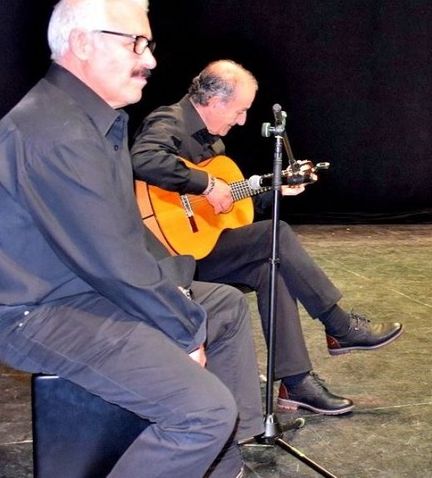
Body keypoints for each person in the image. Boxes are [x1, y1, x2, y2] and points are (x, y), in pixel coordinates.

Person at [0, 0, 293, 478]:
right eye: (136, 41)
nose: (151, 58)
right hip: (37, 313)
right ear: (83, 44)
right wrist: (177, 322)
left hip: (81, 292)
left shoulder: (87, 120)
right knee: (200, 409)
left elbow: (123, 241)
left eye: (149, 40)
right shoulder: (52, 131)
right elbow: (112, 258)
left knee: (220, 305)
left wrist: (184, 301)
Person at [132, 60, 403, 416]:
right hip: (166, 260)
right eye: (240, 110)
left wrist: (274, 191)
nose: (242, 120)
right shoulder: (170, 120)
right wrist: (206, 183)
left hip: (200, 250)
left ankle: (296, 382)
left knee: (270, 267)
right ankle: (339, 326)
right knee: (276, 234)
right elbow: (144, 159)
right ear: (215, 101)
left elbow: (224, 209)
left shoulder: (212, 144)